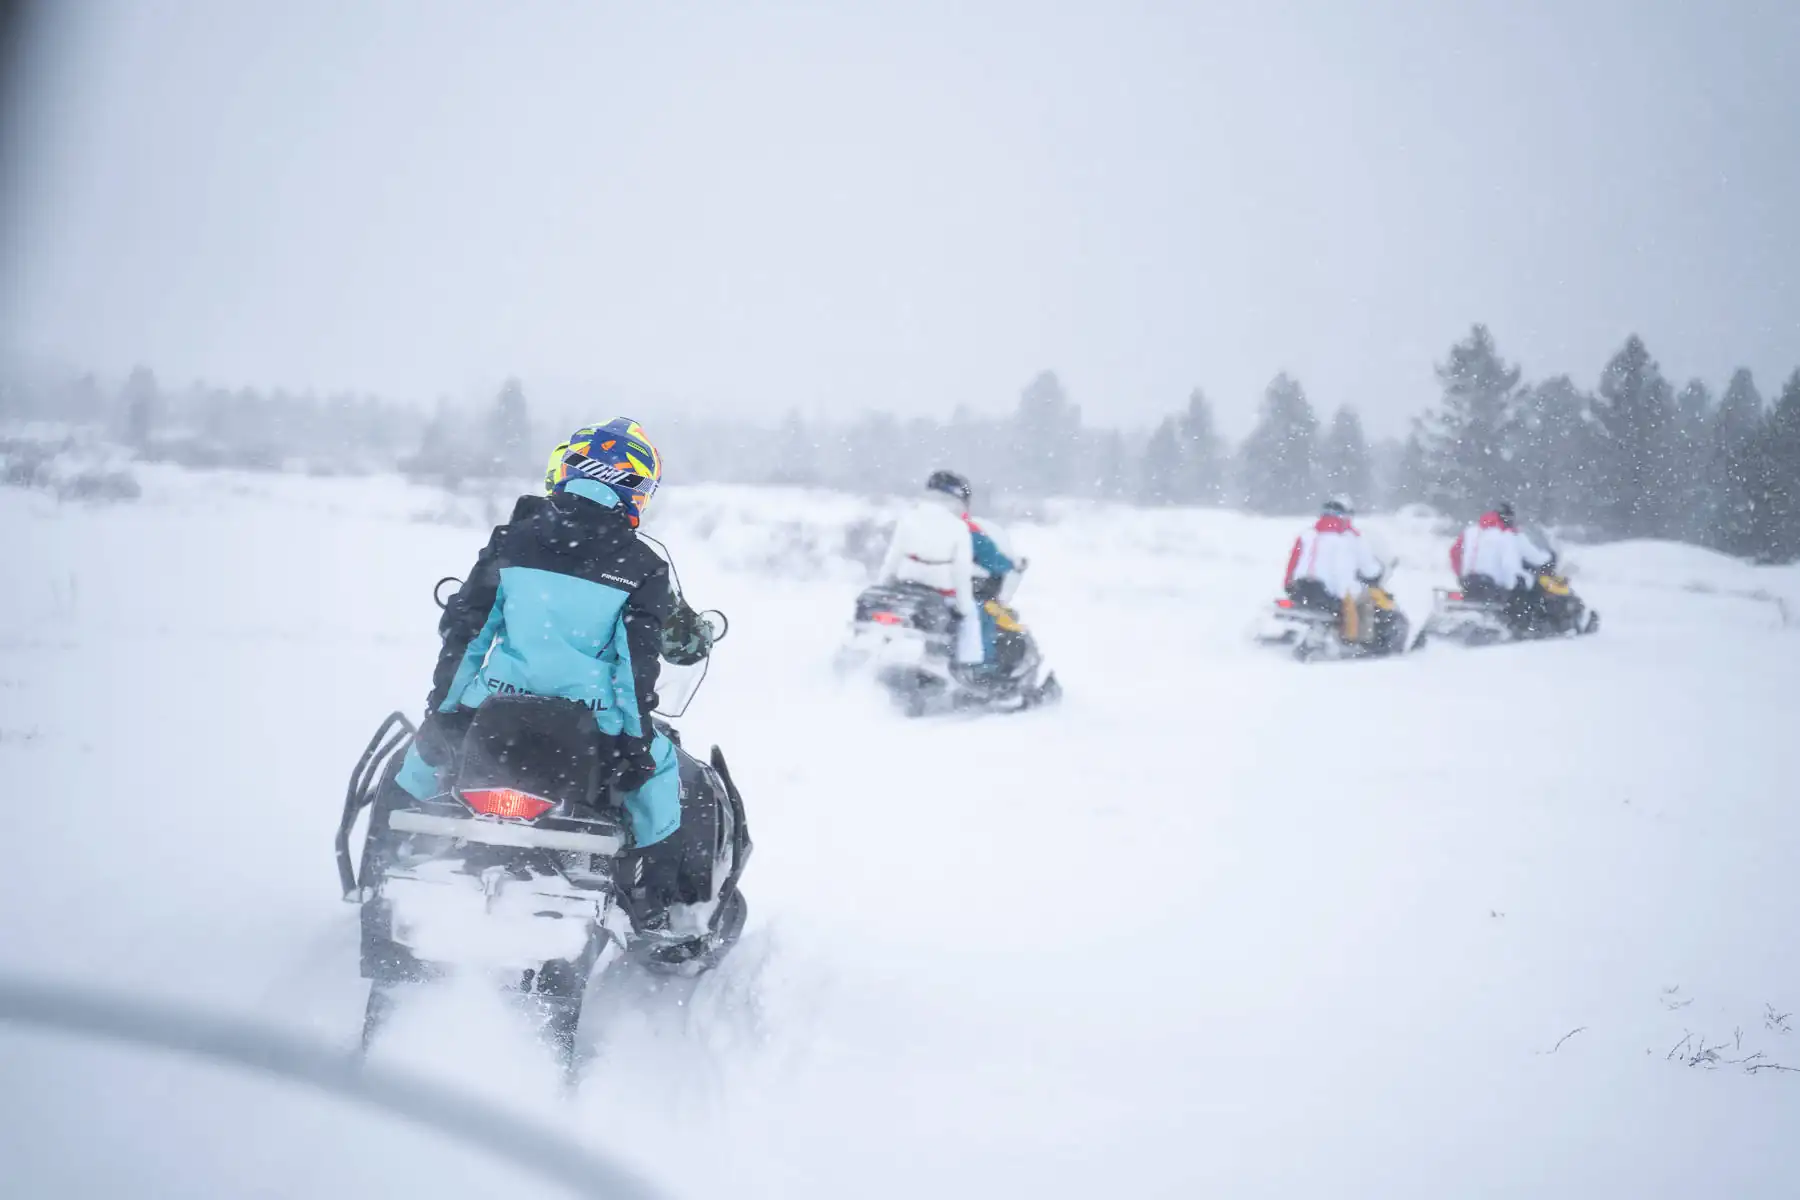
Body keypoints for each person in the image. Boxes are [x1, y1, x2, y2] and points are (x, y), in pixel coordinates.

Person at [390, 418, 732, 954]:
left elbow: (469, 635)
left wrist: (445, 711)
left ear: (566, 470)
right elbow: (634, 666)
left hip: (495, 704)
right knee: (663, 778)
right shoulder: (640, 566)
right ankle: (652, 901)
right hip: (592, 720)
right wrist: (634, 745)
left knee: (417, 763)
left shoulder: (513, 541)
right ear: (636, 488)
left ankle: (396, 846)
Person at [877, 469, 1026, 677]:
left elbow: (892, 558)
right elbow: (978, 564)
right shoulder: (962, 528)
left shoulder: (911, 520)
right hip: (941, 592)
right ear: (959, 500)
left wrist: (883, 586)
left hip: (905, 587)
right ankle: (976, 669)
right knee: (976, 614)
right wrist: (1011, 565)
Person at [1283, 497, 1384, 641]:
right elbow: (1369, 569)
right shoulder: (1351, 538)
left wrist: (1288, 585)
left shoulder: (1307, 535)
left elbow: (1292, 564)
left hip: (1301, 589)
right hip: (1332, 592)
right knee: (1366, 600)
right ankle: (1358, 641)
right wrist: (1376, 573)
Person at [1449, 502, 1552, 631]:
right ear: (1508, 518)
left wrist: (1460, 574)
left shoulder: (1470, 531)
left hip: (1470, 581)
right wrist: (1514, 584)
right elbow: (1510, 564)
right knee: (1527, 590)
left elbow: (1454, 552)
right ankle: (1523, 625)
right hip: (1494, 584)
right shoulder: (1506, 534)